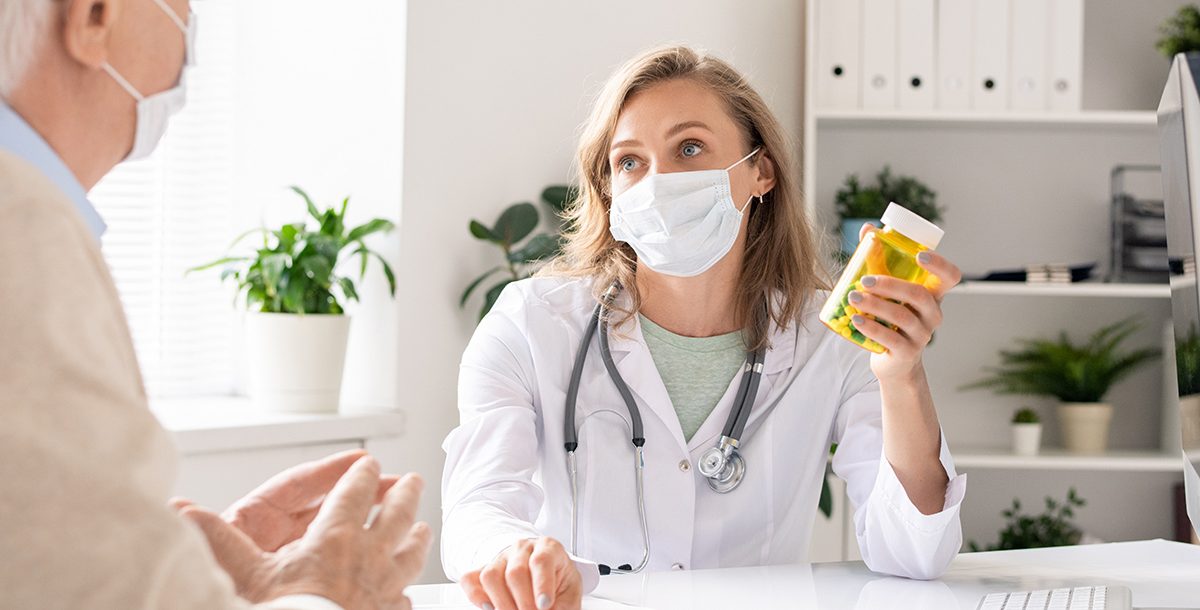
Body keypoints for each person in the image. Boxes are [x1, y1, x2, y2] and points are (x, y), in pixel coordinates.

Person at [441, 45, 967, 610]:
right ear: (609, 190)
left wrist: (901, 377)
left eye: (689, 148)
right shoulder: (530, 323)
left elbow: (913, 553)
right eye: (629, 161)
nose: (657, 182)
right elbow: (477, 508)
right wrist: (514, 553)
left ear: (760, 171)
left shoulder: (830, 340)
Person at [0, 0, 430, 608]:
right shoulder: (21, 226)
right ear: (93, 15)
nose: (188, 51)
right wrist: (323, 593)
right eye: (183, 12)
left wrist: (187, 576)